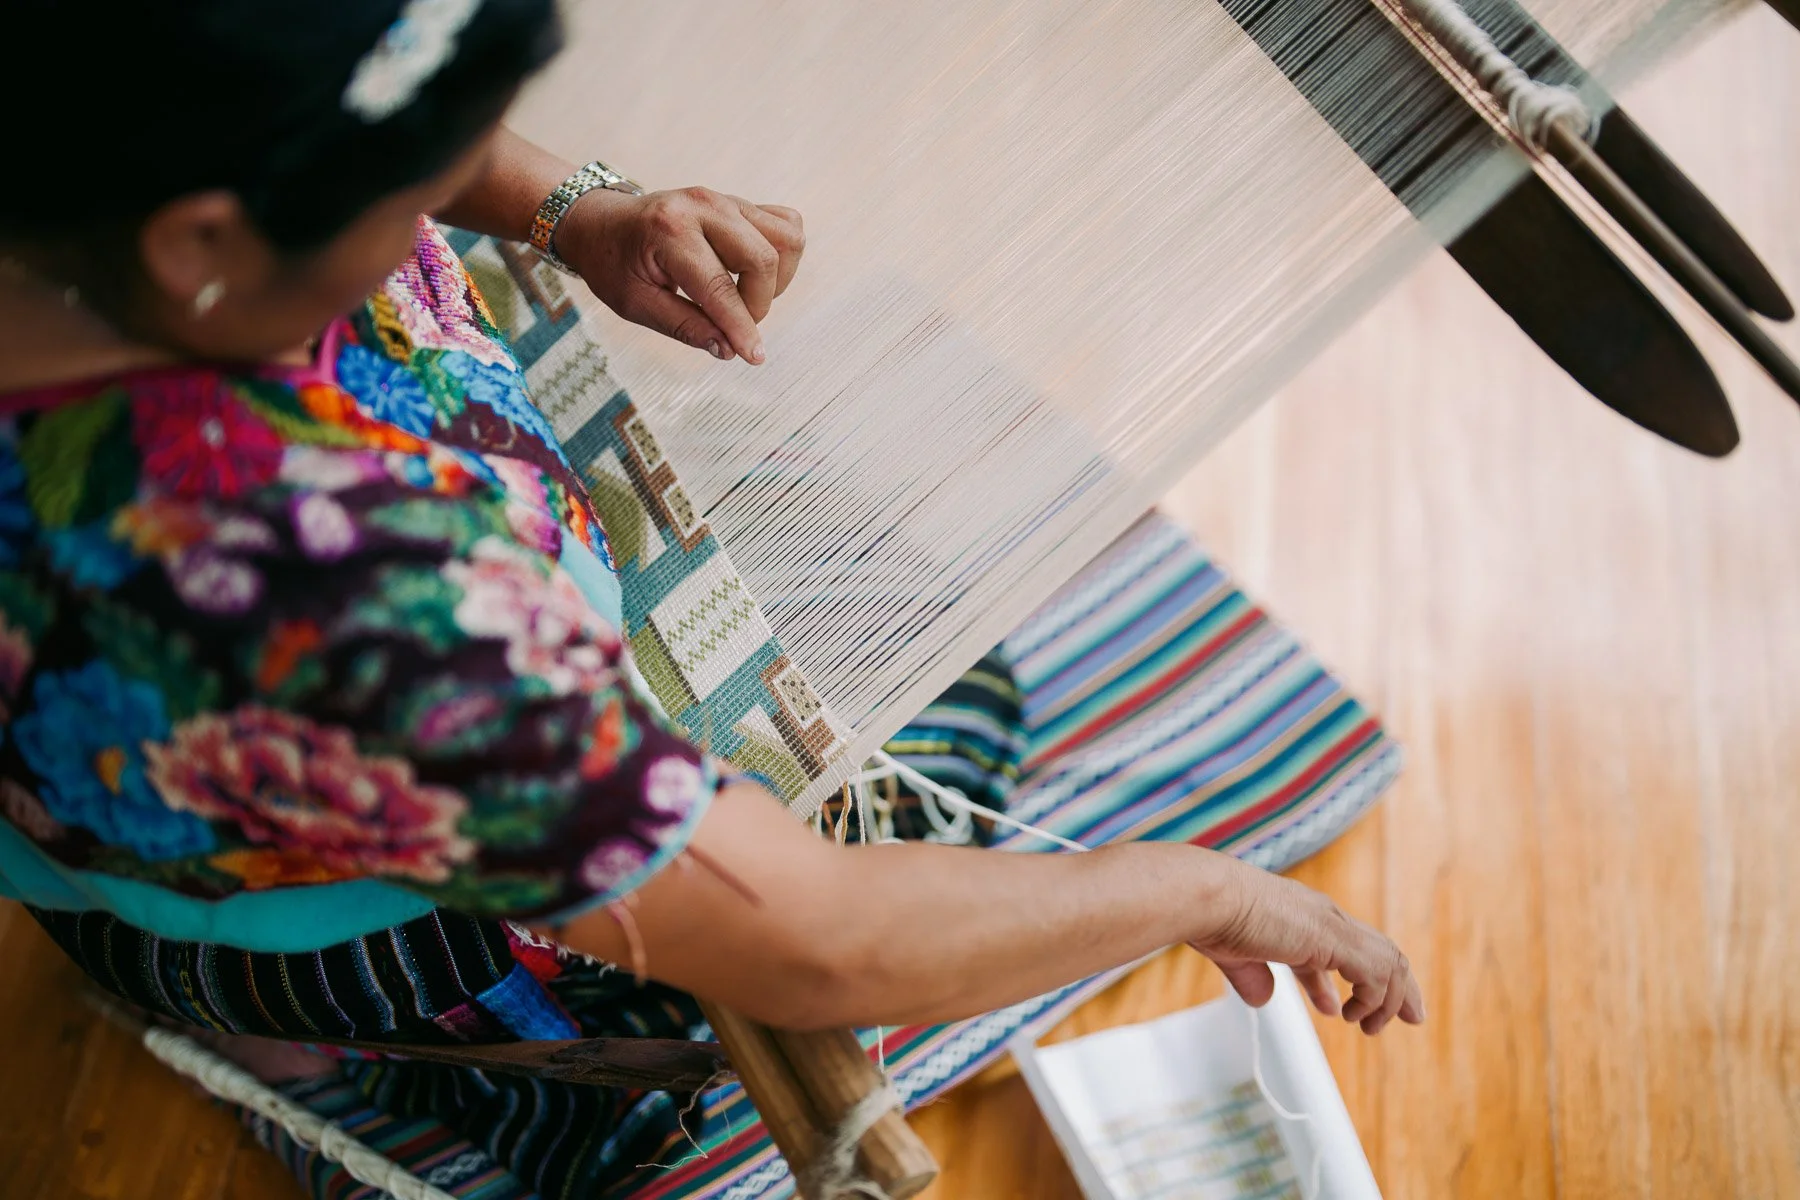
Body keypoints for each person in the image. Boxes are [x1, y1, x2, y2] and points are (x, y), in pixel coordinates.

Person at [0, 0, 1423, 1193]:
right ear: (198, 243)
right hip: (383, 908)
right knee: (945, 711)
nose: (441, 189)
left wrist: (576, 213)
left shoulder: (93, 124)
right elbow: (825, 943)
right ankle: (430, 1062)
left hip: (127, 817)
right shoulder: (309, 586)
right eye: (412, 178)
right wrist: (1203, 890)